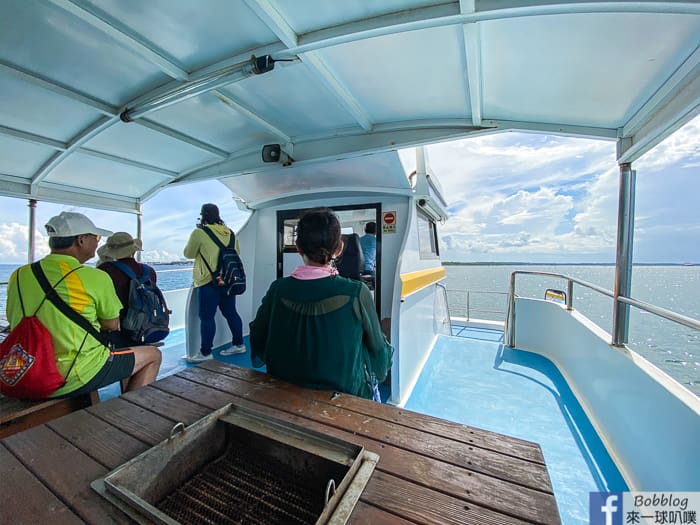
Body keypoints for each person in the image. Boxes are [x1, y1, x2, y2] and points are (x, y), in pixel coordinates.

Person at [5, 212, 162, 398]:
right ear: (81, 240)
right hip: (72, 374)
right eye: (96, 237)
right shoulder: (94, 277)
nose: (98, 242)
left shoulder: (18, 274)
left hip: (23, 368)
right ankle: (129, 410)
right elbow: (111, 325)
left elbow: (13, 318)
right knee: (153, 355)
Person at [249, 208, 392, 400]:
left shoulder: (278, 289)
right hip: (343, 395)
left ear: (298, 247)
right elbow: (378, 349)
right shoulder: (357, 292)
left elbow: (258, 334)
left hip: (283, 390)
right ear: (339, 248)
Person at [183, 203, 245, 362]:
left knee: (207, 317)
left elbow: (188, 253)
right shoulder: (230, 233)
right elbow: (236, 253)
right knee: (231, 313)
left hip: (208, 281)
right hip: (228, 280)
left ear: (202, 215)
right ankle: (239, 344)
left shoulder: (199, 232)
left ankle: (205, 353)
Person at [97, 232, 158, 348]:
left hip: (118, 331)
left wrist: (104, 260)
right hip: (145, 328)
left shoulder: (105, 270)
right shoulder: (149, 271)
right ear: (134, 250)